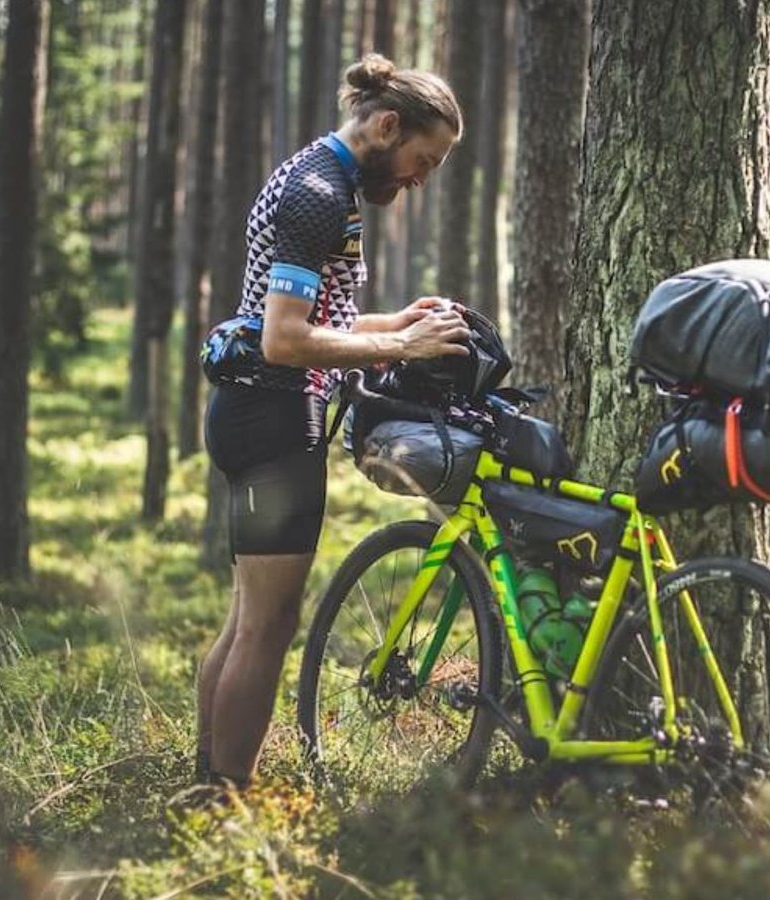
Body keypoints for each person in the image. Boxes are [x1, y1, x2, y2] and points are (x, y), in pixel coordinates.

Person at [193, 54, 470, 793]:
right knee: (268, 625)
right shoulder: (319, 195)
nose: (419, 178)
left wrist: (395, 322)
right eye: (423, 159)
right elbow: (286, 338)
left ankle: (204, 782)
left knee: (247, 618)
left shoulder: (322, 179)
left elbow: (311, 319)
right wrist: (398, 346)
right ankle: (226, 800)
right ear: (387, 126)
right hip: (274, 415)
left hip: (260, 407)